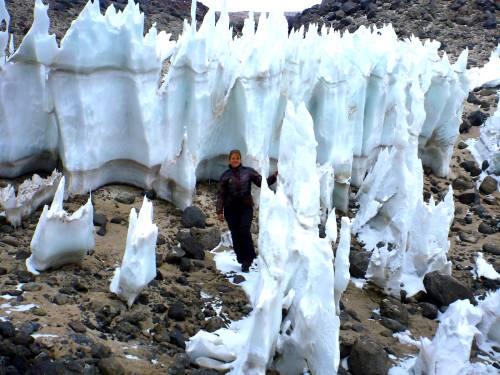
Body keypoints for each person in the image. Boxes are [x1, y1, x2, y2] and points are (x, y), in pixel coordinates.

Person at [216, 150, 278, 272]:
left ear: (240, 159)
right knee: (235, 233)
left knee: (244, 230)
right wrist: (219, 211)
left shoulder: (248, 172)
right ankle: (241, 259)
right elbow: (221, 195)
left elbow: (262, 183)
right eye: (233, 158)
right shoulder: (225, 176)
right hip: (230, 209)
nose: (235, 160)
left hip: (246, 207)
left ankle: (248, 259)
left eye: (237, 158)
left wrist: (274, 177)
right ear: (229, 160)